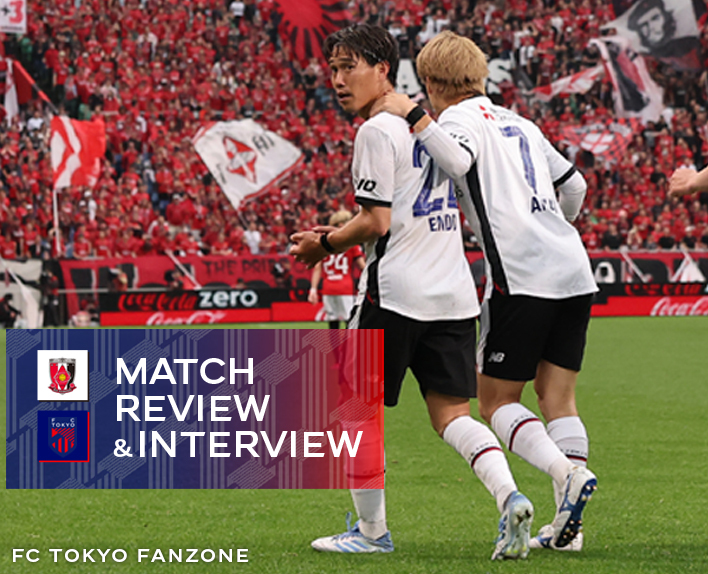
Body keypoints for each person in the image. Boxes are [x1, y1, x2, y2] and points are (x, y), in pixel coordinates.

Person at [290, 24, 533, 560]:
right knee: (453, 415)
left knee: (354, 411)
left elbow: (377, 221)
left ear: (382, 70)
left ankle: (371, 532)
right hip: (453, 294)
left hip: (396, 293)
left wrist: (324, 243)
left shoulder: (376, 131)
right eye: (333, 69)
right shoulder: (431, 126)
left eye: (349, 67)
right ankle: (510, 496)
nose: (338, 80)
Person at [374, 31, 598, 552]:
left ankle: (567, 474)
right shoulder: (521, 122)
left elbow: (456, 161)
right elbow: (575, 187)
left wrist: (414, 116)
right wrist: (554, 228)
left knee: (496, 401)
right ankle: (569, 530)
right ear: (480, 74)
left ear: (430, 82)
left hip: (522, 277)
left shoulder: (455, 120)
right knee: (558, 398)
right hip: (573, 268)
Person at [307, 210, 365, 329]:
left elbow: (318, 268)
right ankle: (350, 342)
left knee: (333, 322)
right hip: (345, 287)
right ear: (342, 224)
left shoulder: (324, 242)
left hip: (328, 287)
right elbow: (362, 266)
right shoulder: (351, 243)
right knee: (349, 320)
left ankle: (335, 343)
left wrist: (313, 289)